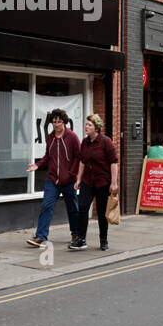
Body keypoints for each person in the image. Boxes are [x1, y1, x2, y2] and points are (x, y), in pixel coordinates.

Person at [25, 108, 81, 249]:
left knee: (72, 208)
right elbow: (47, 157)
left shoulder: (72, 137)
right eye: (54, 122)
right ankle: (40, 237)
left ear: (64, 122)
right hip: (52, 180)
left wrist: (72, 174)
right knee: (46, 206)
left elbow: (78, 157)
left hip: (68, 180)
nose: (56, 124)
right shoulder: (50, 137)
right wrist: (37, 165)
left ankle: (76, 233)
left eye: (59, 122)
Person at [74, 113, 119, 252]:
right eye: (86, 124)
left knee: (101, 212)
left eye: (89, 125)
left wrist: (114, 182)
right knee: (82, 207)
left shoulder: (106, 142)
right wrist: (78, 179)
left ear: (96, 128)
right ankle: (81, 239)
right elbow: (82, 161)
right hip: (88, 181)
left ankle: (103, 240)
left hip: (103, 182)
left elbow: (113, 163)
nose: (86, 127)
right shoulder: (85, 142)